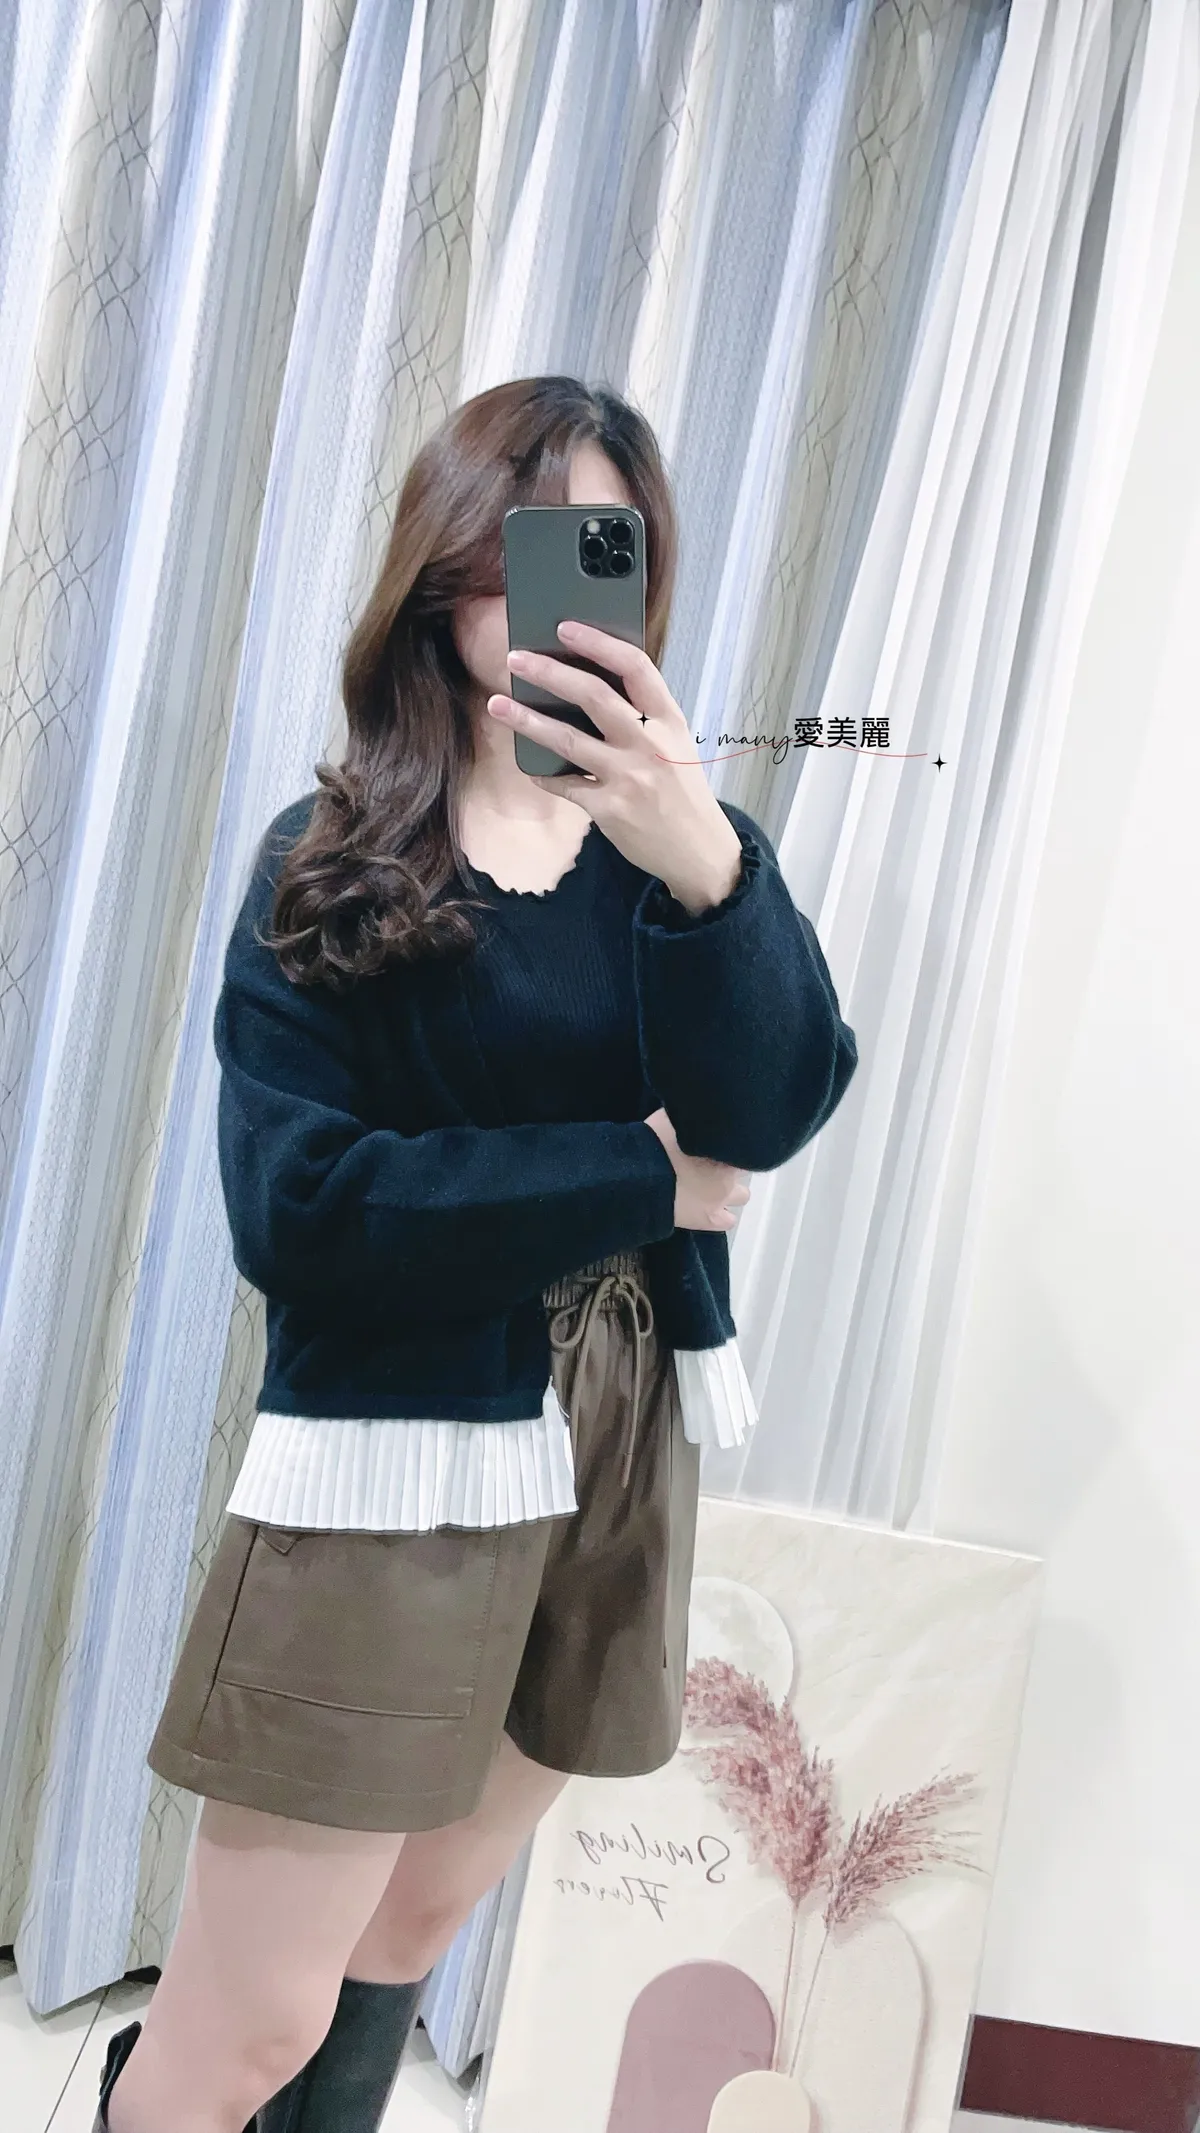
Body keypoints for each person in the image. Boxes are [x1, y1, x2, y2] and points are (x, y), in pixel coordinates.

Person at [93, 375, 857, 2133]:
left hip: (615, 1451)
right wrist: (633, 1178)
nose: (562, 589)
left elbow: (776, 1106)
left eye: (607, 549)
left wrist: (703, 856)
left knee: (415, 1926)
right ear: (444, 573)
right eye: (527, 546)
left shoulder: (681, 863)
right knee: (249, 2022)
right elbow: (302, 1212)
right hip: (395, 1473)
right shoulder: (336, 860)